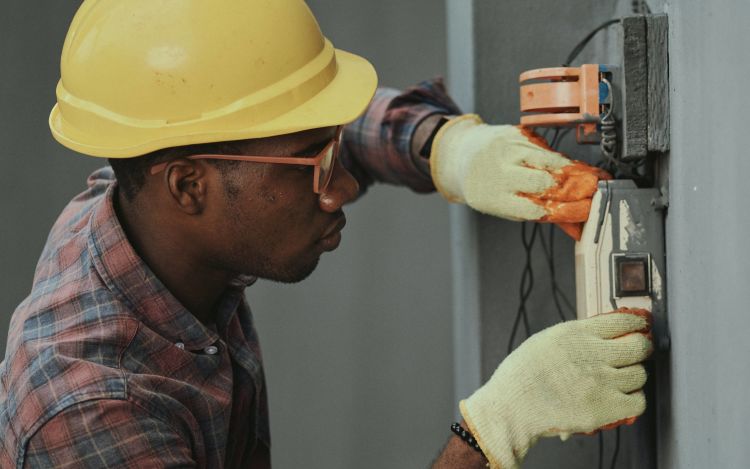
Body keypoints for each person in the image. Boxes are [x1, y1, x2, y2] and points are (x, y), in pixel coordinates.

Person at [0, 1, 652, 468]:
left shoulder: (144, 192)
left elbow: (289, 128)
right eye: (315, 165)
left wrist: (447, 148)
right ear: (188, 186)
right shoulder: (91, 411)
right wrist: (489, 434)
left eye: (331, 149)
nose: (340, 188)